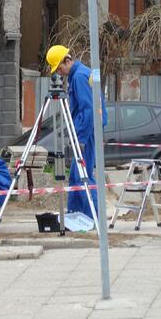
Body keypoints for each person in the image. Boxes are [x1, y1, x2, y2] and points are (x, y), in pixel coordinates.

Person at [45, 45, 107, 219]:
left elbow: (89, 110)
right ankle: (76, 215)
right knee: (75, 176)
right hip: (86, 131)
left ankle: (92, 217)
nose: (59, 72)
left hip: (87, 132)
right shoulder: (79, 75)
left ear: (67, 60)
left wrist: (80, 138)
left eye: (59, 67)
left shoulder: (79, 76)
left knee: (83, 176)